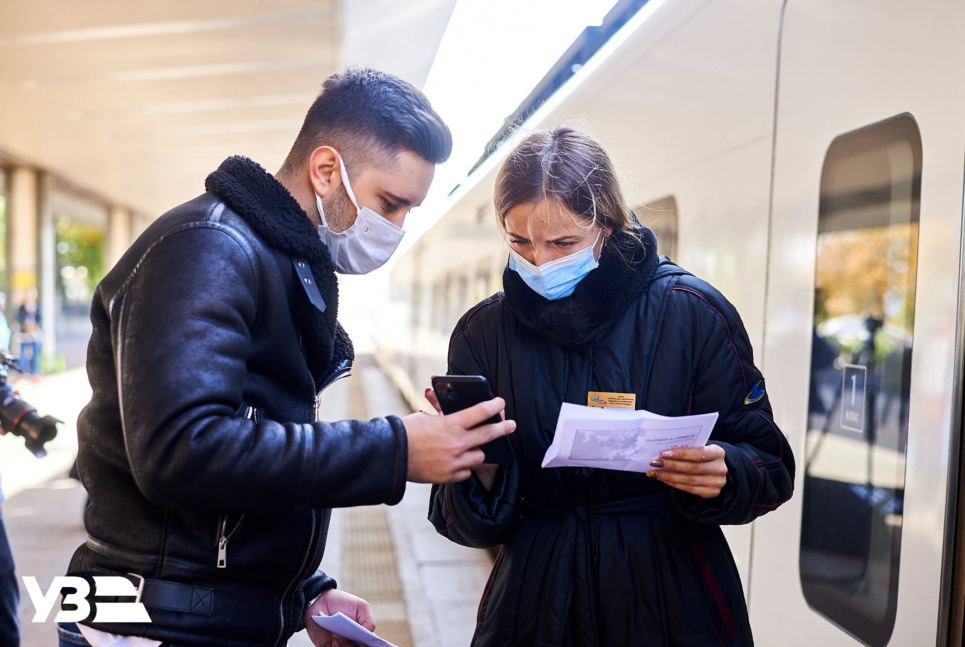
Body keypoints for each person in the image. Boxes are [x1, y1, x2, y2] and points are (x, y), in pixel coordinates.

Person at [61, 68, 515, 647]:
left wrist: (300, 589)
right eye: (390, 203)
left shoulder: (271, 261)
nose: (397, 228)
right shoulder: (207, 249)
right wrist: (395, 448)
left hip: (201, 616)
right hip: (152, 622)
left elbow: (252, 441)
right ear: (327, 170)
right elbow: (181, 452)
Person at [427, 127, 795, 646]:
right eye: (520, 242)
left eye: (563, 243)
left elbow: (771, 463)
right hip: (533, 608)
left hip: (672, 603)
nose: (540, 260)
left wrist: (727, 471)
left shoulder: (695, 314)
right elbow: (468, 525)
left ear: (608, 225)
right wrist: (472, 462)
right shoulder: (482, 333)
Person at [15, 287, 41, 375]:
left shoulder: (37, 307)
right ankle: (21, 372)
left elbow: (39, 320)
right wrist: (26, 326)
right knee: (23, 355)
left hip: (34, 335)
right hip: (24, 335)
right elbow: (19, 319)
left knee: (36, 353)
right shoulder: (22, 308)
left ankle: (35, 372)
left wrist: (34, 327)